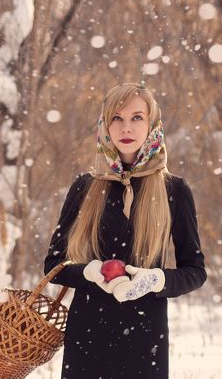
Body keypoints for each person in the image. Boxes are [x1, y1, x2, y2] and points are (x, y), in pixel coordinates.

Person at [44, 82, 207, 379]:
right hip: (88, 336)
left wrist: (156, 280)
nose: (126, 127)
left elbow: (195, 271)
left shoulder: (174, 191)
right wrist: (91, 272)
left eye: (136, 118)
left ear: (152, 124)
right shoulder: (85, 187)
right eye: (117, 118)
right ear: (105, 125)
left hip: (145, 340)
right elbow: (54, 264)